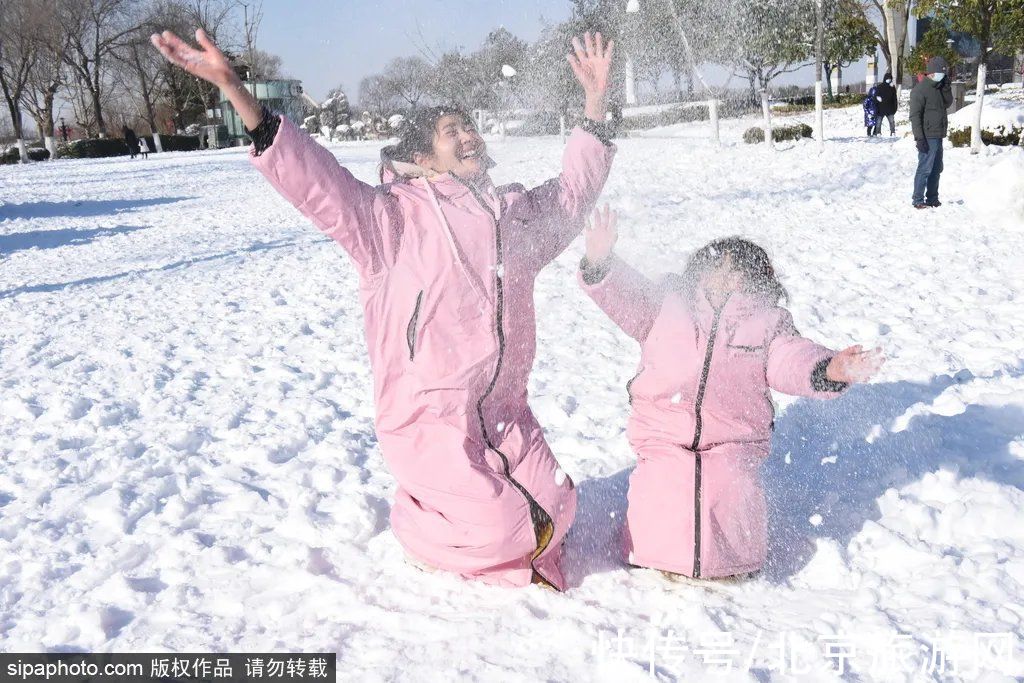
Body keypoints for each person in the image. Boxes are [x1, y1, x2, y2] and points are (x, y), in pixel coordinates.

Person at [152, 28, 616, 590]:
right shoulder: (389, 221)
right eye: (451, 131)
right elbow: (316, 183)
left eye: (469, 125)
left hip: (504, 413)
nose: (468, 135)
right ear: (422, 156)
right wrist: (237, 91)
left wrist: (594, 105)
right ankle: (415, 520)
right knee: (507, 530)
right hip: (428, 422)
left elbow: (571, 195)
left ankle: (481, 511)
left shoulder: (513, 215)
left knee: (560, 508)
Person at [577, 208, 883, 580]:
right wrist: (600, 261)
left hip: (732, 441)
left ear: (757, 278)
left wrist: (829, 369)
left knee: (728, 489)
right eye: (718, 265)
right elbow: (624, 294)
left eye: (739, 268)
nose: (727, 276)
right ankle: (650, 553)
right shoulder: (666, 303)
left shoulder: (767, 322)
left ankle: (729, 564)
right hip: (663, 436)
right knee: (665, 488)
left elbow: (790, 357)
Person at [909, 56, 954, 209]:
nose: (942, 75)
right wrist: (919, 138)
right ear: (931, 73)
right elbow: (915, 116)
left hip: (938, 134)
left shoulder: (939, 87)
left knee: (936, 168)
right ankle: (918, 199)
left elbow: (948, 103)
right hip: (927, 136)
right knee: (925, 168)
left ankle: (932, 198)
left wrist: (947, 86)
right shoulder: (920, 90)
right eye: (941, 72)